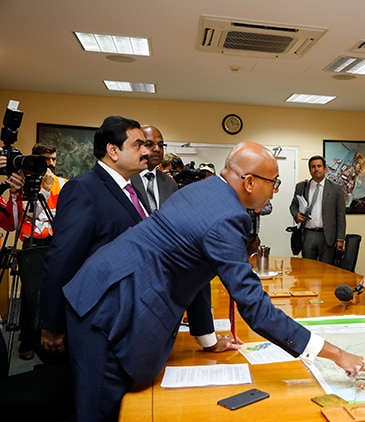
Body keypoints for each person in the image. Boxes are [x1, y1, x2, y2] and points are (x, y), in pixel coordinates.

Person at [60, 141, 365, 422]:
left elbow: (196, 272)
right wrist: (336, 354)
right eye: (274, 182)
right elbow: (256, 310)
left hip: (108, 289)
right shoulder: (227, 218)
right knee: (101, 418)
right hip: (110, 310)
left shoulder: (202, 190)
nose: (275, 190)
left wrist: (207, 339)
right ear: (248, 182)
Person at [40, 115, 151, 355]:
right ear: (113, 150)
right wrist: (52, 323)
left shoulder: (132, 189)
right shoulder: (84, 189)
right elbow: (63, 259)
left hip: (131, 314)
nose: (146, 151)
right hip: (99, 318)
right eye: (138, 145)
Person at [131, 125, 219, 351]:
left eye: (161, 145)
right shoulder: (125, 181)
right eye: (151, 144)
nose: (157, 149)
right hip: (133, 273)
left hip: (167, 274)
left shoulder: (169, 183)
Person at [289, 155, 346, 264]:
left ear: (325, 169)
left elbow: (340, 215)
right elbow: (293, 206)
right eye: (313, 167)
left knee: (326, 270)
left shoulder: (336, 189)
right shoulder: (301, 187)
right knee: (308, 268)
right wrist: (296, 215)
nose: (316, 169)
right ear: (310, 170)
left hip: (328, 236)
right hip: (308, 234)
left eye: (319, 166)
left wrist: (340, 238)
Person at [19, 142, 67, 247]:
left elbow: (67, 215)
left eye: (53, 159)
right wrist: (45, 189)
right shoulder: (25, 182)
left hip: (55, 239)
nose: (51, 163)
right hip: (32, 239)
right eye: (46, 159)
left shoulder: (64, 184)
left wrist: (40, 216)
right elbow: (30, 213)